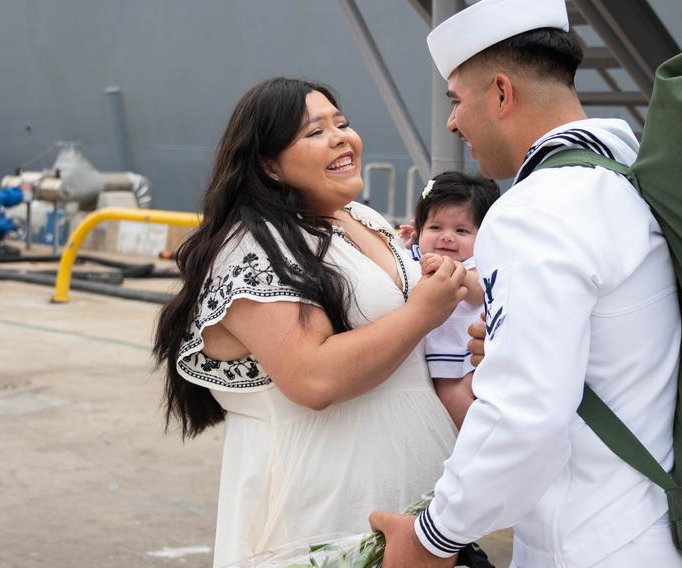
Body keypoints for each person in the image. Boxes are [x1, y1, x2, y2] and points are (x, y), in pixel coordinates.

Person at [370, 1, 682, 567]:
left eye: (456, 100)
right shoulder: (626, 178)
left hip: (588, 544)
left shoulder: (535, 211)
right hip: (654, 528)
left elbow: (525, 415)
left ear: (500, 93)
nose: (451, 122)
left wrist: (433, 536)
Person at [152, 77, 467, 568]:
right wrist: (424, 312)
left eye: (342, 123)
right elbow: (314, 378)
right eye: (315, 132)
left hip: (417, 506)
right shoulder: (253, 247)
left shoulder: (362, 218)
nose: (342, 137)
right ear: (268, 164)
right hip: (330, 513)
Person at [412, 171, 500, 428]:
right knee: (450, 407)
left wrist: (449, 268)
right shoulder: (416, 255)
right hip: (438, 354)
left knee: (461, 401)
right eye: (435, 227)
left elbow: (478, 291)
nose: (447, 237)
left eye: (461, 230)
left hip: (464, 352)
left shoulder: (478, 263)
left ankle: (485, 447)